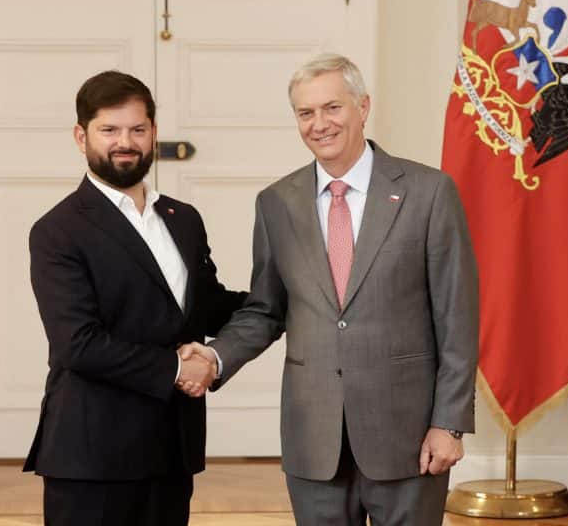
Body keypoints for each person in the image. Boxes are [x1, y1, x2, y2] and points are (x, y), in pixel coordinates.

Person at [179, 53, 479, 526]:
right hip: (313, 438)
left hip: (407, 435)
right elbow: (266, 309)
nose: (319, 124)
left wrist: (449, 423)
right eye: (306, 113)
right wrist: (214, 358)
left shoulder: (428, 192)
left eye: (332, 108)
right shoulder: (277, 203)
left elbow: (457, 318)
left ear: (363, 106)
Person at [23, 70, 246, 526]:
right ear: (81, 136)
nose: (125, 142)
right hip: (91, 456)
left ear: (153, 134)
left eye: (137, 129)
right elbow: (77, 343)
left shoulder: (183, 219)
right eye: (109, 130)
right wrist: (180, 369)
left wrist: (291, 300)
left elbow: (205, 304)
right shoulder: (58, 231)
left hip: (171, 447)